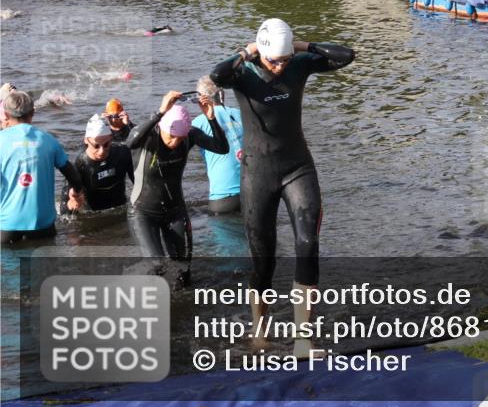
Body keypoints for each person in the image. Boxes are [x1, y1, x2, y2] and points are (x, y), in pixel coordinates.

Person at [210, 18, 354, 356]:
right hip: (257, 174)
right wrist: (247, 52)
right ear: (260, 52)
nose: (280, 67)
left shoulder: (298, 65)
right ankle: (259, 332)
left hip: (297, 167)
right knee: (264, 260)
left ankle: (303, 339)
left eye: (285, 60)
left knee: (308, 242)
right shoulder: (242, 74)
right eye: (274, 61)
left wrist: (300, 47)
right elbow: (217, 75)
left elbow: (346, 56)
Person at [126, 91, 228, 283]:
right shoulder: (148, 136)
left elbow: (222, 148)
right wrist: (160, 112)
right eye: (171, 136)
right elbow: (129, 142)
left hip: (175, 211)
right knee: (157, 268)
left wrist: (211, 118)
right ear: (161, 126)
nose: (175, 142)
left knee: (183, 272)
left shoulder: (189, 135)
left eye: (180, 138)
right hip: (143, 213)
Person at [1, 90, 84, 244]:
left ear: (5, 114)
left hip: (7, 225)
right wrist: (76, 192)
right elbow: (73, 176)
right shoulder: (49, 141)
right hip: (42, 224)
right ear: (33, 112)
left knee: (9, 260)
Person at [58, 114, 134, 215]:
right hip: (93, 214)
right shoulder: (79, 165)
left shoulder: (122, 153)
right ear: (86, 140)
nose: (102, 151)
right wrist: (71, 205)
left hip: (121, 208)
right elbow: (63, 210)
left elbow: (140, 183)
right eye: (96, 146)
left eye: (106, 145)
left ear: (111, 138)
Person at [191, 76, 243, 215]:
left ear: (201, 98)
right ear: (222, 94)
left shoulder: (198, 123)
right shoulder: (240, 114)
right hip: (253, 192)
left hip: (223, 198)